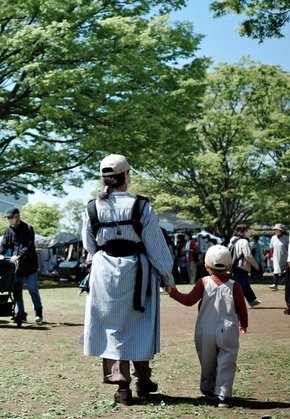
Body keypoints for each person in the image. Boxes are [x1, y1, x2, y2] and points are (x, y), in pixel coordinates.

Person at [80, 154, 174, 405]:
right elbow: (156, 246)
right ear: (125, 176)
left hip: (103, 273)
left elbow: (89, 245)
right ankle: (143, 380)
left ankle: (122, 388)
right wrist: (167, 276)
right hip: (137, 271)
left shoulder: (92, 207)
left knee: (111, 328)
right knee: (140, 325)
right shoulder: (142, 206)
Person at [168, 245, 248, 408]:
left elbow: (189, 300)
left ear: (206, 266)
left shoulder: (203, 282)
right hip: (228, 330)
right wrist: (244, 324)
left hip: (205, 330)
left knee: (208, 361)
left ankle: (209, 389)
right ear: (229, 266)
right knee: (227, 362)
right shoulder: (235, 285)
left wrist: (173, 292)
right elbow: (242, 308)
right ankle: (224, 396)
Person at [0, 208, 44, 324]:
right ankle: (21, 314)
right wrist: (0, 254)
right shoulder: (8, 230)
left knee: (33, 289)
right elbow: (4, 243)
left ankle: (38, 312)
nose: (9, 220)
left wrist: (18, 256)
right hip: (16, 267)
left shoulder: (28, 228)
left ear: (17, 216)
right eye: (8, 218)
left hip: (30, 265)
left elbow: (28, 246)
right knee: (17, 290)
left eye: (10, 217)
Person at [228, 225, 262, 307]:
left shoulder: (232, 241)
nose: (248, 232)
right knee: (242, 284)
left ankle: (252, 300)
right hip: (242, 265)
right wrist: (256, 265)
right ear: (242, 232)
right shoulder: (244, 241)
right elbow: (248, 256)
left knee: (242, 284)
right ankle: (241, 302)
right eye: (247, 231)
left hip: (233, 266)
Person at [269, 224, 289, 290]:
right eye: (275, 230)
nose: (276, 231)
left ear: (281, 230)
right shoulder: (273, 238)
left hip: (285, 257)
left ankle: (287, 285)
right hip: (275, 257)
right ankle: (275, 284)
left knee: (285, 272)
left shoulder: (286, 238)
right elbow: (271, 248)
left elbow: (289, 248)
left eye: (277, 230)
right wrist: (271, 256)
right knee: (276, 271)